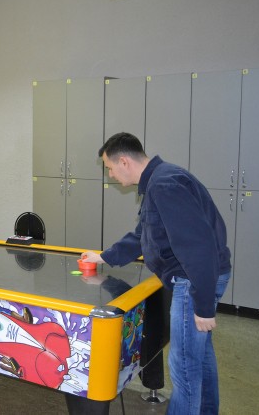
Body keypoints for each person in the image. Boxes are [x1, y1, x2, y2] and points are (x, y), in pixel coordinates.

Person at [81, 133, 231, 415]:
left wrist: (202, 304)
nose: (110, 175)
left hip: (192, 280)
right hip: (198, 276)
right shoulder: (159, 182)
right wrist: (102, 257)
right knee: (200, 359)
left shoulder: (164, 186)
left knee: (184, 368)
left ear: (124, 162)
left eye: (110, 168)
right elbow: (142, 236)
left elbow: (197, 247)